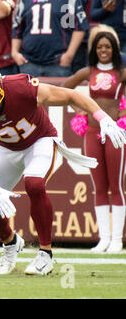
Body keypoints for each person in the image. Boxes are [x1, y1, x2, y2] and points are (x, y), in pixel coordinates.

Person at [0, 57, 126, 275]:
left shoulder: (19, 87)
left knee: (34, 184)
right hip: (6, 148)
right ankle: (10, 243)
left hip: (40, 140)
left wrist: (102, 117)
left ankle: (45, 254)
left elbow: (71, 95)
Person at [63, 27, 126, 253]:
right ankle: (104, 239)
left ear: (114, 49)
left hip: (115, 134)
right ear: (95, 50)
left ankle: (117, 239)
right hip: (91, 131)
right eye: (99, 47)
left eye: (107, 47)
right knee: (99, 187)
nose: (103, 50)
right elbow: (65, 89)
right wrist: (79, 111)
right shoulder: (87, 71)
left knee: (116, 185)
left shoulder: (122, 72)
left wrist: (124, 112)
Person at [12, 0, 89, 77]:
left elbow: (80, 26)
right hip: (28, 62)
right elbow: (17, 27)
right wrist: (14, 52)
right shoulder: (24, 0)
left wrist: (69, 55)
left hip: (58, 62)